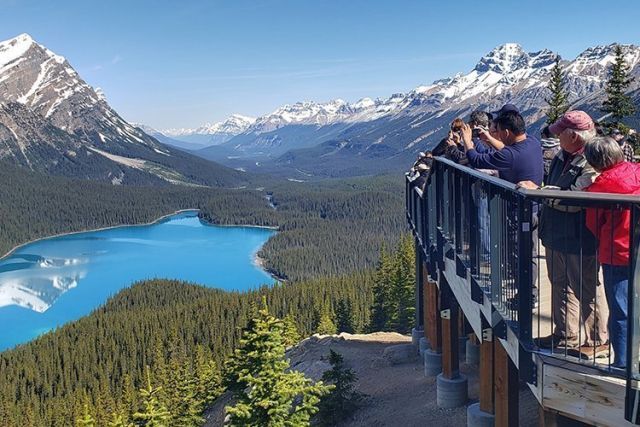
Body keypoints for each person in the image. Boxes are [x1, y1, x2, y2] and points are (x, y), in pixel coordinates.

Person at [518, 110, 609, 354]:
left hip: (580, 236)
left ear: (574, 136)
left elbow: (577, 199)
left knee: (586, 287)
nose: (556, 137)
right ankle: (565, 334)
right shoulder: (564, 155)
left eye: (560, 133)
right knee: (559, 283)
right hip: (556, 233)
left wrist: (540, 191)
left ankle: (598, 339)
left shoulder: (592, 160)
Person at [584, 136, 640, 368]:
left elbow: (593, 222)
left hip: (617, 252)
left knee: (620, 310)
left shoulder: (602, 186)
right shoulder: (636, 171)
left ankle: (623, 365)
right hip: (635, 249)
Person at [463, 111, 543, 185]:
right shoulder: (533, 141)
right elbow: (508, 149)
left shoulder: (509, 155)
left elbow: (476, 160)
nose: (497, 134)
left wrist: (466, 139)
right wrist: (488, 139)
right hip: (534, 197)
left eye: (498, 131)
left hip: (514, 199)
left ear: (506, 133)